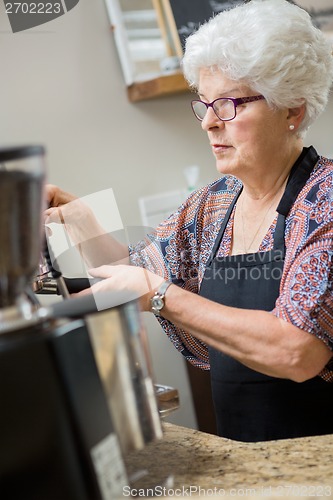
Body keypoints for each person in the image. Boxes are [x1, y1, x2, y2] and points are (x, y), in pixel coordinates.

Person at [46, 0, 333, 442]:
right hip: (246, 461)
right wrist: (78, 217)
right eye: (204, 104)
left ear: (292, 110)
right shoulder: (211, 207)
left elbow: (297, 350)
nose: (209, 124)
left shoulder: (324, 202)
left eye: (229, 104)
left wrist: (160, 297)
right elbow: (135, 273)